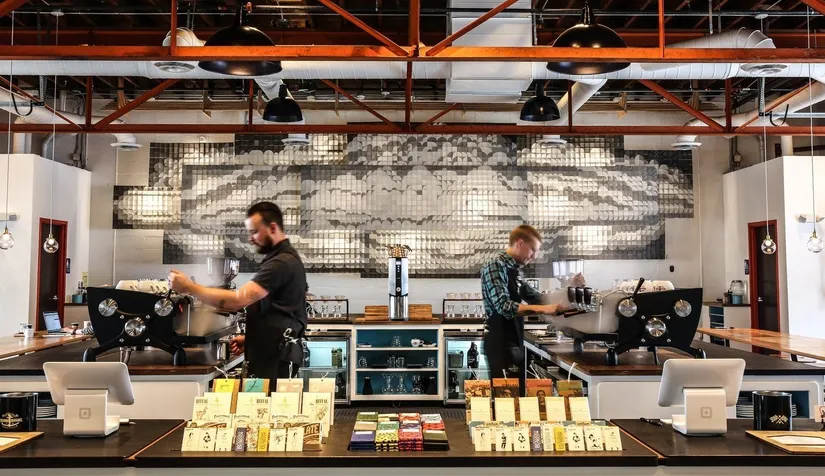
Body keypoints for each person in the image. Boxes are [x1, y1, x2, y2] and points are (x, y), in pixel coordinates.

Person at [169, 201, 308, 384]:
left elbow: (238, 299)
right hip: (273, 353)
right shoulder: (282, 259)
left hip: (276, 359)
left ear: (273, 228)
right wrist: (252, 340)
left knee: (269, 403)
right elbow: (277, 313)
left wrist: (189, 287)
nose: (251, 238)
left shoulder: (281, 263)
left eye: (254, 231)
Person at [480, 224, 584, 395]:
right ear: (520, 243)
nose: (534, 256)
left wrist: (569, 288)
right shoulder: (495, 266)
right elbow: (504, 307)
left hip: (514, 341)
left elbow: (539, 298)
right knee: (505, 399)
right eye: (533, 250)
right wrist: (544, 309)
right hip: (499, 343)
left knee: (518, 397)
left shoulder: (515, 271)